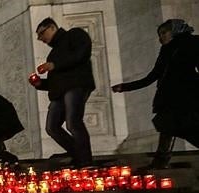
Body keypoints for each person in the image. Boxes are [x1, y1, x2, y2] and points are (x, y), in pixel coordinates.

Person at [112, 19, 199, 169]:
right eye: (159, 34)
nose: (161, 37)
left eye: (164, 33)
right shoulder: (165, 51)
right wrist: (125, 87)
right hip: (169, 97)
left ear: (174, 30)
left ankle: (160, 161)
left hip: (188, 96)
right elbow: (152, 76)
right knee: (168, 126)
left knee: (181, 127)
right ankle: (160, 161)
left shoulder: (192, 43)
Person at [29, 17, 96, 168]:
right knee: (51, 127)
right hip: (59, 93)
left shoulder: (74, 34)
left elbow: (82, 54)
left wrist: (54, 65)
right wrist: (40, 84)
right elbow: (55, 82)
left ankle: (85, 161)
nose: (40, 39)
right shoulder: (52, 54)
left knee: (73, 123)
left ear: (52, 28)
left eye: (41, 33)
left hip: (76, 85)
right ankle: (78, 155)